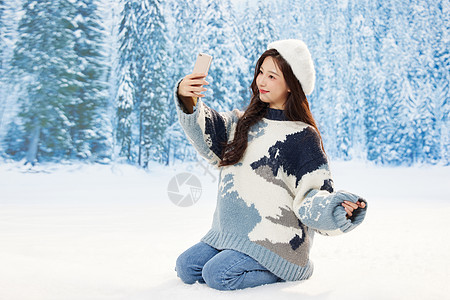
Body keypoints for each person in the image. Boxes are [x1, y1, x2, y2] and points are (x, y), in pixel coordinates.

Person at [173, 39, 367, 291]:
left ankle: (289, 270)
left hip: (275, 242)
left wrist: (338, 210)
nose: (261, 81)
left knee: (217, 275)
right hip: (232, 233)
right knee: (186, 267)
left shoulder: (302, 136)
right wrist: (187, 98)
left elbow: (313, 193)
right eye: (260, 72)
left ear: (291, 84)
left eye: (272, 76)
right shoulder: (242, 123)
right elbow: (210, 131)